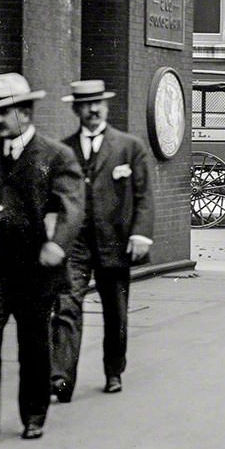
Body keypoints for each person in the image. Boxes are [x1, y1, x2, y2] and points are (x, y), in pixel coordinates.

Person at [0, 74, 86, 442]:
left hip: (35, 269)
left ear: (25, 112)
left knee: (33, 343)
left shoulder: (56, 156)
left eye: (3, 112)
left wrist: (58, 244)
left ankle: (35, 413)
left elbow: (71, 207)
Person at [50, 79, 154, 401]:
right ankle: (61, 379)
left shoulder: (129, 147)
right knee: (66, 306)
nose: (93, 110)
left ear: (106, 107)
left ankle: (113, 371)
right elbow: (55, 198)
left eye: (98, 104)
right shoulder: (64, 149)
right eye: (86, 105)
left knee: (116, 310)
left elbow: (144, 195)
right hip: (75, 244)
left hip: (115, 242)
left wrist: (140, 234)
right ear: (76, 109)